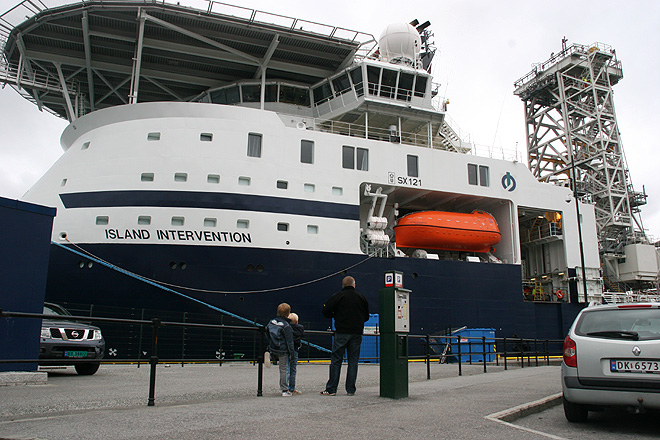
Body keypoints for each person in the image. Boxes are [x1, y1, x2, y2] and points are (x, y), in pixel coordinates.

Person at [320, 276, 369, 396]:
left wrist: (335, 315)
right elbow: (366, 316)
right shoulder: (361, 297)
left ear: (343, 285)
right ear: (354, 285)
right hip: (356, 333)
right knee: (353, 361)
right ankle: (351, 390)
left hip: (341, 332)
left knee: (336, 360)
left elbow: (325, 311)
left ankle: (331, 389)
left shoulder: (338, 296)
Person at [266, 303, 295, 396]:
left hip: (273, 347)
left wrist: (270, 344)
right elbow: (290, 341)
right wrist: (292, 353)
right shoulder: (286, 326)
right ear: (288, 313)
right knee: (284, 369)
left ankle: (270, 356)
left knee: (282, 368)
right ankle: (284, 390)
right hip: (283, 350)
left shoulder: (272, 322)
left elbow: (267, 332)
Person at [287, 312, 305, 395]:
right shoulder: (300, 328)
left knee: (286, 369)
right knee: (293, 369)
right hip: (295, 350)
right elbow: (303, 335)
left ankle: (285, 388)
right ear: (297, 321)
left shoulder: (286, 328)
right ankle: (292, 388)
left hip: (286, 350)